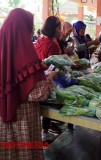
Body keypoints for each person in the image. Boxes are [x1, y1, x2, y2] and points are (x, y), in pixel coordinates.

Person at [0, 8, 57, 159]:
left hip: (3, 116)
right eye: (30, 28)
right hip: (23, 117)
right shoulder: (26, 53)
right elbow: (37, 93)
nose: (32, 32)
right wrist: (50, 77)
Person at [34, 16, 63, 141]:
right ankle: (45, 130)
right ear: (53, 28)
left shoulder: (41, 39)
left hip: (38, 75)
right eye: (58, 28)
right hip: (49, 75)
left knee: (42, 104)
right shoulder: (52, 43)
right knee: (49, 101)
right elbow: (53, 63)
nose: (60, 31)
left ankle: (44, 129)